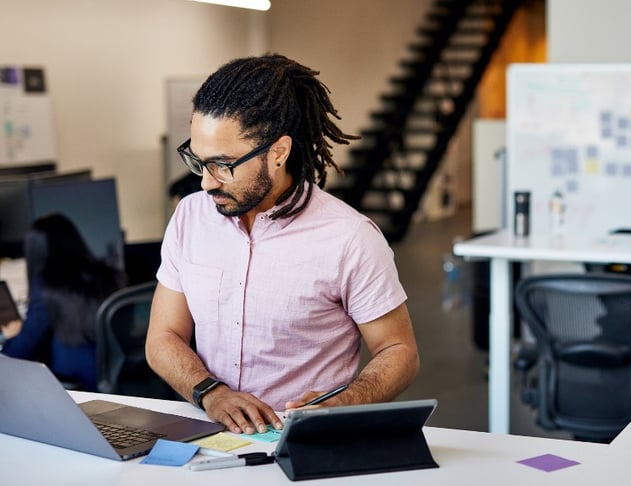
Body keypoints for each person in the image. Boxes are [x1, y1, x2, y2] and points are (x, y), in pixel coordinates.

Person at [145, 53, 420, 436]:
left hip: (303, 441)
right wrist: (211, 393)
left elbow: (399, 351)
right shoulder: (190, 217)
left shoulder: (349, 238)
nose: (207, 182)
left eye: (223, 165)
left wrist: (344, 401)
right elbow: (162, 337)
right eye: (199, 161)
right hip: (207, 435)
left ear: (278, 152)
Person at [1, 213, 124, 391]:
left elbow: (22, 349)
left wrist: (12, 337)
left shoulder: (47, 284)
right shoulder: (108, 273)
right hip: (113, 375)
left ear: (35, 251)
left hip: (73, 382)